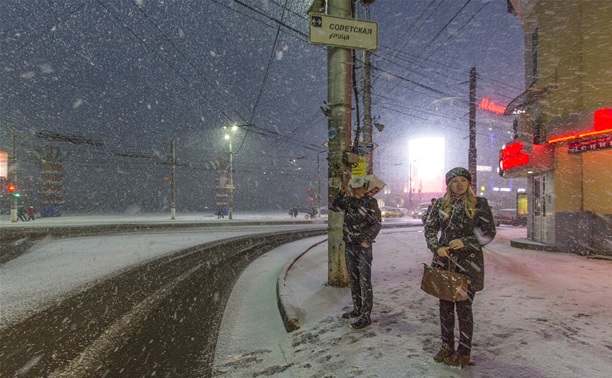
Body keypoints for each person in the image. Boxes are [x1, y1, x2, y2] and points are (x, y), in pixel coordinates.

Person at [424, 167, 496, 368]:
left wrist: (466, 241)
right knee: (445, 308)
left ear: (468, 183)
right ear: (448, 184)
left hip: (468, 265)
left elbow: (488, 233)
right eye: (454, 181)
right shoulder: (440, 204)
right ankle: (447, 346)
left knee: (464, 309)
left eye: (463, 180)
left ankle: (464, 351)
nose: (459, 184)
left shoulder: (479, 204)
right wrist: (436, 247)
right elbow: (429, 228)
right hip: (445, 263)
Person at [331, 175, 383, 329]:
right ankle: (357, 308)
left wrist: (367, 240)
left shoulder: (370, 202)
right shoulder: (348, 200)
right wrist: (342, 192)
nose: (356, 190)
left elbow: (377, 223)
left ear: (364, 187)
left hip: (363, 247)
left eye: (359, 188)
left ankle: (366, 315)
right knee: (354, 280)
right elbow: (335, 207)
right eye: (354, 188)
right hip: (350, 245)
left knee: (364, 280)